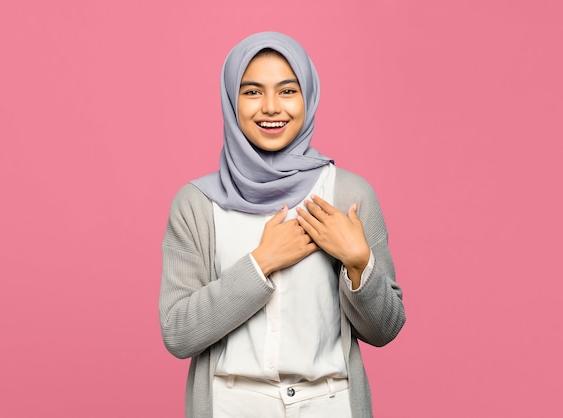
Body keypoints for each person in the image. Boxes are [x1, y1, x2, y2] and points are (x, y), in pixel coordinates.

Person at [159, 31, 405, 418]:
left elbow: (385, 329)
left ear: (308, 96)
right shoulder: (197, 204)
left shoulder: (348, 194)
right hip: (231, 405)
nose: (271, 108)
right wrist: (261, 264)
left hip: (331, 405)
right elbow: (177, 333)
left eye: (288, 91)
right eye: (253, 92)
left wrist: (359, 265)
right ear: (231, 101)